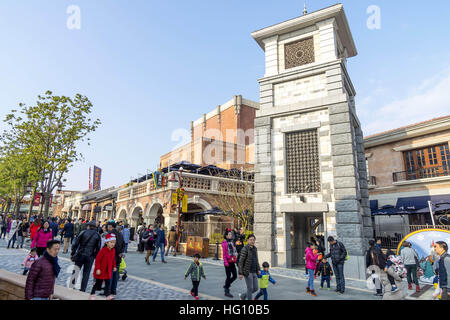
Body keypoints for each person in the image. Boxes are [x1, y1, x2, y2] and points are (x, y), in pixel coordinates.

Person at [71, 220, 101, 292]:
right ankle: (83, 289)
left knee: (76, 270)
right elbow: (98, 247)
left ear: (89, 226)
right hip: (90, 256)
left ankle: (72, 285)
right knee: (86, 273)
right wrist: (94, 256)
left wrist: (73, 253)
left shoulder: (83, 232)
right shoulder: (97, 235)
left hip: (81, 253)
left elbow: (75, 244)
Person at [90, 233, 117, 300]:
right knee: (97, 283)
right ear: (107, 242)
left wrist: (114, 266)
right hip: (101, 270)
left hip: (108, 270)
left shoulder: (113, 250)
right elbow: (97, 260)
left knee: (108, 283)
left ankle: (108, 295)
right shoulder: (103, 250)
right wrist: (98, 268)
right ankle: (92, 294)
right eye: (111, 242)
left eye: (114, 242)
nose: (112, 244)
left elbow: (113, 259)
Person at [238, 234, 261, 300]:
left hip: (254, 271)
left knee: (256, 288)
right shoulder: (245, 249)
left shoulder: (255, 249)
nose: (252, 241)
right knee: (250, 288)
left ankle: (243, 296)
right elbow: (241, 261)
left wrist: (258, 269)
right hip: (247, 272)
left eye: (253, 240)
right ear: (248, 240)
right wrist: (240, 273)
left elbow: (256, 260)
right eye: (251, 240)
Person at [107, 222, 125, 296]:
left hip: (111, 256)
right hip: (118, 257)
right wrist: (120, 253)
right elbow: (123, 244)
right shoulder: (120, 234)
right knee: (115, 274)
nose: (107, 228)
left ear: (110, 226)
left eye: (108, 226)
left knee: (109, 274)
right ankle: (113, 290)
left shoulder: (110, 234)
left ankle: (108, 290)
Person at [222, 230, 238, 298]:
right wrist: (226, 262)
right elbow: (224, 254)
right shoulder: (224, 243)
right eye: (229, 234)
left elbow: (234, 251)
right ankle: (226, 291)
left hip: (232, 261)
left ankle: (226, 285)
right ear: (226, 236)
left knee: (235, 276)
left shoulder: (231, 242)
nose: (230, 235)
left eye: (231, 234)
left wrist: (236, 257)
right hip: (228, 262)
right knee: (228, 277)